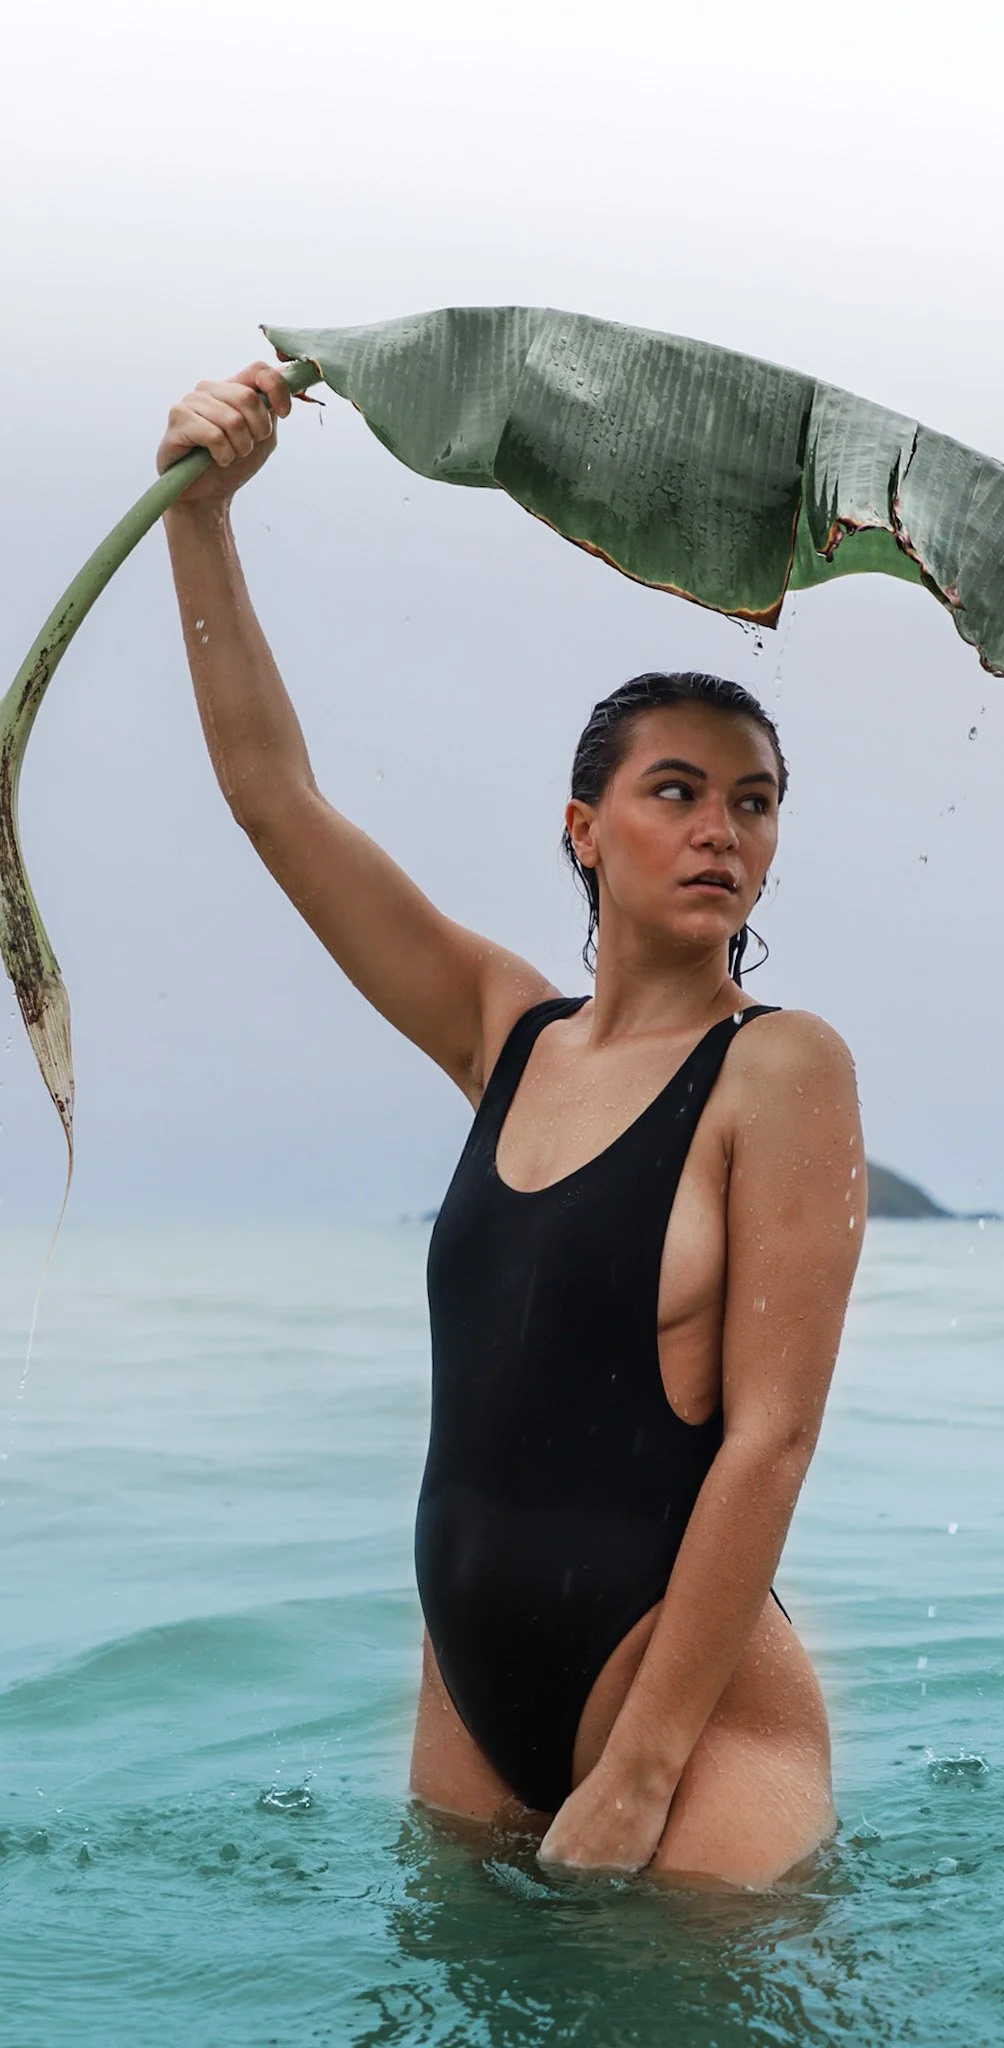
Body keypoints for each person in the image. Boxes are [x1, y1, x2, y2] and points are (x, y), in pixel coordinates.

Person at [157, 363, 867, 1890]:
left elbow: (774, 1434)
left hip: (685, 1717)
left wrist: (646, 1767)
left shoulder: (781, 1070)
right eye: (675, 792)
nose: (719, 830)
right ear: (582, 829)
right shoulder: (507, 1033)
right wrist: (202, 522)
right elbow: (274, 798)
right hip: (473, 1699)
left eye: (753, 802)